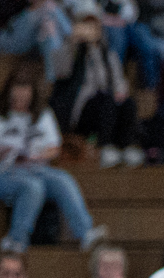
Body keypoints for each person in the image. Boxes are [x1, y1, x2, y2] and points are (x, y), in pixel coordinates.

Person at [0, 75, 107, 256]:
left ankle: (85, 232)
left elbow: (54, 147)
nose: (21, 103)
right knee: (33, 187)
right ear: (7, 94)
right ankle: (16, 240)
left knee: (63, 179)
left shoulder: (42, 114)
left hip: (35, 168)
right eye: (16, 99)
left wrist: (37, 156)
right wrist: (2, 151)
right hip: (0, 171)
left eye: (25, 99)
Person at [51, 14, 145, 167]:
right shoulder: (72, 52)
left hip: (106, 104)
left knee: (127, 103)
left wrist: (120, 92)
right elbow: (59, 71)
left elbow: (119, 81)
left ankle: (126, 146)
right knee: (105, 100)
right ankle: (104, 146)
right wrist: (72, 42)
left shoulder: (108, 55)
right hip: (81, 107)